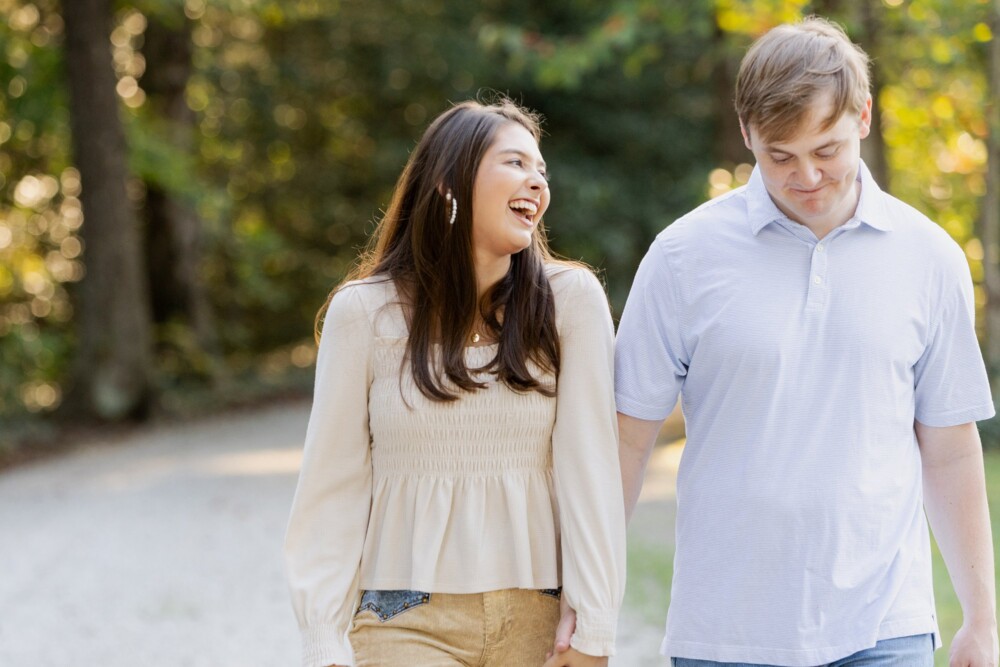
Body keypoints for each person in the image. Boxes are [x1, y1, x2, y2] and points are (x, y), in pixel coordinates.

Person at [614, 16, 999, 667]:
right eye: (779, 156)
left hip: (885, 627)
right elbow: (626, 439)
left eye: (827, 150)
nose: (807, 177)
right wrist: (587, 599)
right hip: (725, 633)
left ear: (864, 116)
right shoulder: (682, 257)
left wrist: (983, 619)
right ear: (747, 134)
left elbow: (951, 448)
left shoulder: (929, 256)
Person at [283, 98, 625, 667]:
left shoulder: (572, 302)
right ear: (449, 183)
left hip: (540, 621)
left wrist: (594, 625)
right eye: (516, 163)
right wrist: (323, 641)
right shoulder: (363, 314)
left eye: (542, 170)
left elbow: (590, 470)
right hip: (403, 621)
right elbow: (331, 486)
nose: (537, 182)